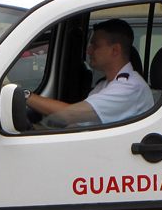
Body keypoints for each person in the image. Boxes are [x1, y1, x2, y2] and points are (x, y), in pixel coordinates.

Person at [26, 18, 154, 128]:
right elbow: (75, 128)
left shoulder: (129, 88)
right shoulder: (105, 85)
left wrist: (24, 95)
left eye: (95, 45)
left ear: (115, 50)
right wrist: (32, 129)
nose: (88, 50)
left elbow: (69, 115)